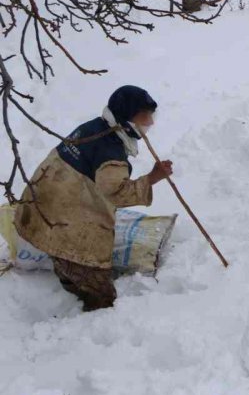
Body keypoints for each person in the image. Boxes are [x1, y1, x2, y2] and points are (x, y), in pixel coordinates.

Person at [14, 86, 174, 311]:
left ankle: (68, 271)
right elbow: (117, 193)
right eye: (144, 116)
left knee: (64, 250)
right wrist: (152, 179)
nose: (150, 122)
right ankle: (87, 312)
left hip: (43, 204)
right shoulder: (110, 152)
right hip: (62, 218)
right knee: (101, 293)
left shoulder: (94, 128)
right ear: (126, 117)